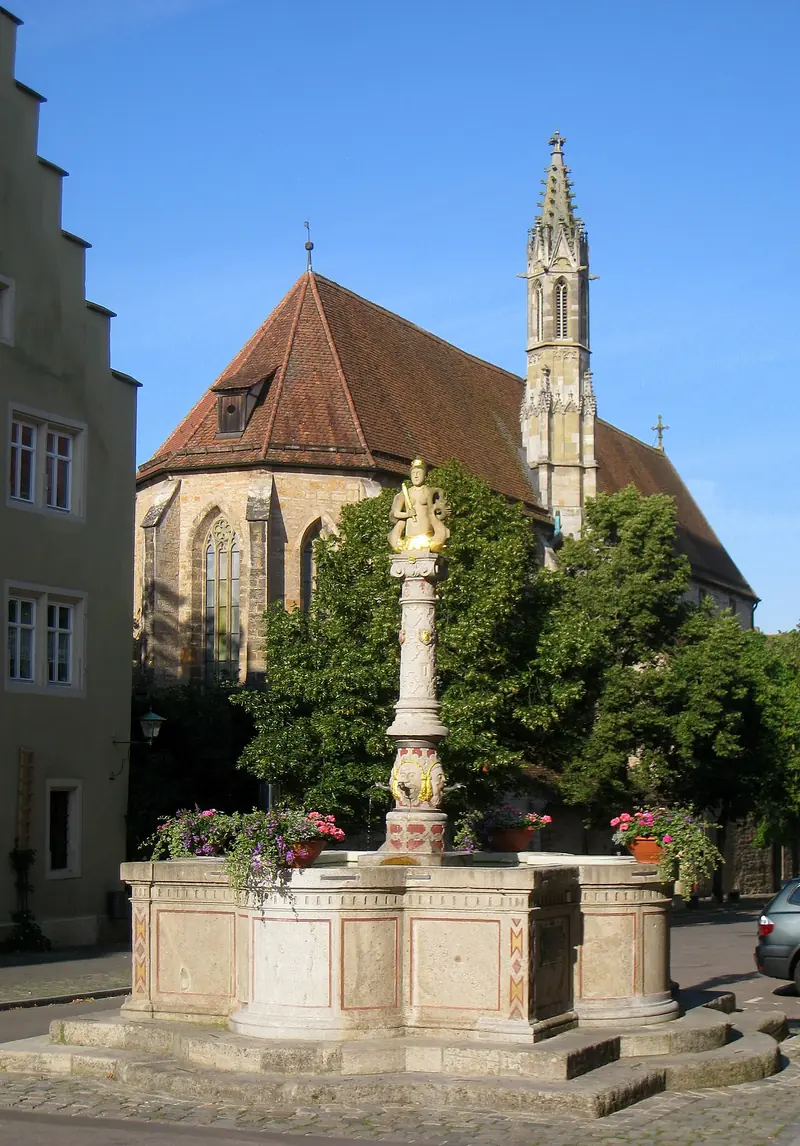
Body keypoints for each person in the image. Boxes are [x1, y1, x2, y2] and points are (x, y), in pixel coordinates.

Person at [387, 458, 450, 553]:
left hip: (426, 534)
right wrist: (408, 514)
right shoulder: (405, 493)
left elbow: (439, 510)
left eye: (419, 473)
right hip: (409, 535)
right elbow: (396, 513)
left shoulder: (429, 491)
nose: (416, 476)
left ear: (425, 476)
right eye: (413, 473)